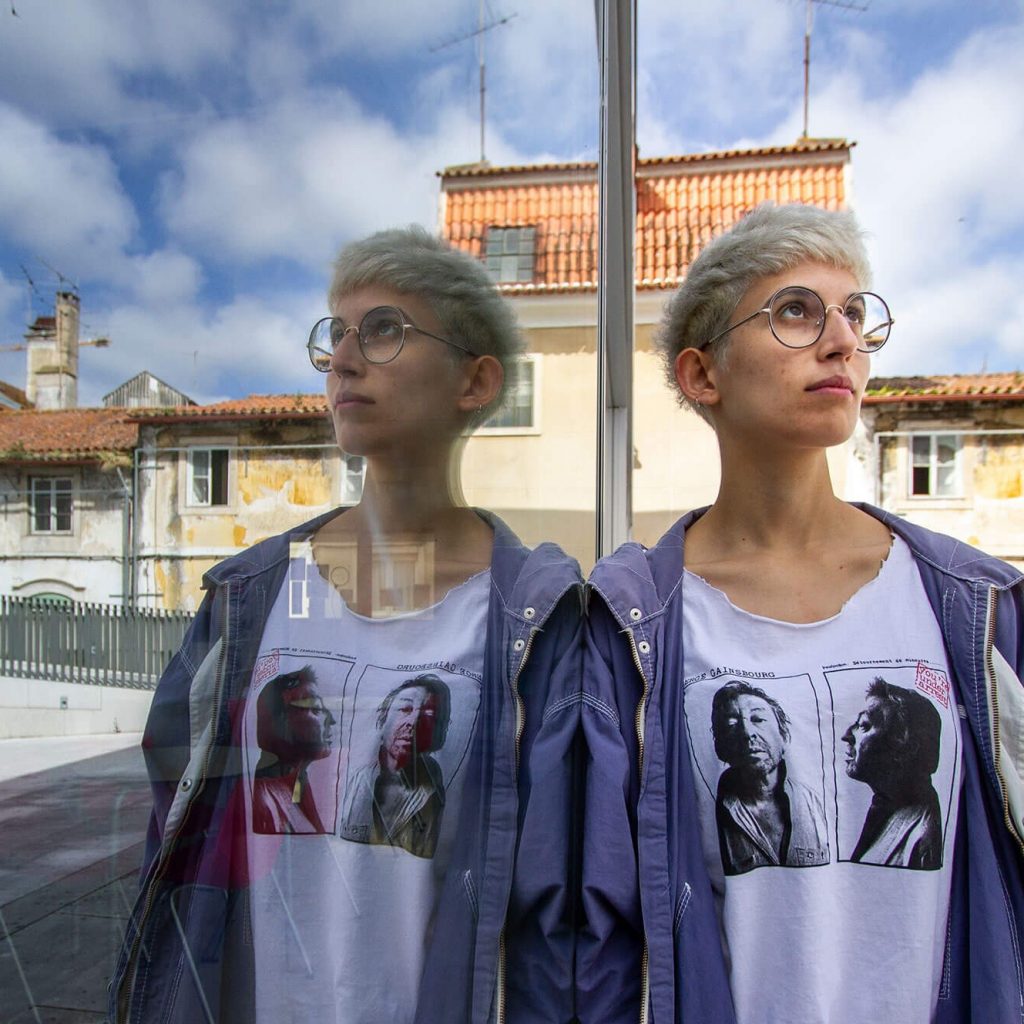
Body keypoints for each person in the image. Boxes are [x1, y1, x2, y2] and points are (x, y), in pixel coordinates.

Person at [110, 227, 582, 1024]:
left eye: (384, 329)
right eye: (336, 333)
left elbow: (554, 887)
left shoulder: (536, 618)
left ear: (475, 380)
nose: (343, 360)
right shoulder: (252, 595)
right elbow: (180, 837)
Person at [582, 203, 1024, 1024]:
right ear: (702, 375)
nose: (843, 340)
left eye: (854, 313)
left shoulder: (972, 603)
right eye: (796, 311)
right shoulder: (634, 621)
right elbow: (598, 916)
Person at [711, 680, 828, 874]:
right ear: (720, 746)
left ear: (784, 736)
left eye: (758, 719)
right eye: (732, 724)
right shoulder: (707, 810)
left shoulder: (814, 804)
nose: (747, 733)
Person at [340, 674, 451, 857]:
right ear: (383, 718)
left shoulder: (433, 792)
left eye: (428, 715)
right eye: (405, 709)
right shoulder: (351, 779)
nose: (413, 722)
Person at [842, 676, 943, 869]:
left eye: (863, 726)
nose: (847, 735)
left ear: (907, 749)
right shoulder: (886, 807)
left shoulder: (920, 840)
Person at [252, 665, 336, 835]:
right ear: (281, 722)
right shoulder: (263, 797)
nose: (331, 720)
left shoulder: (300, 783)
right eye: (316, 709)